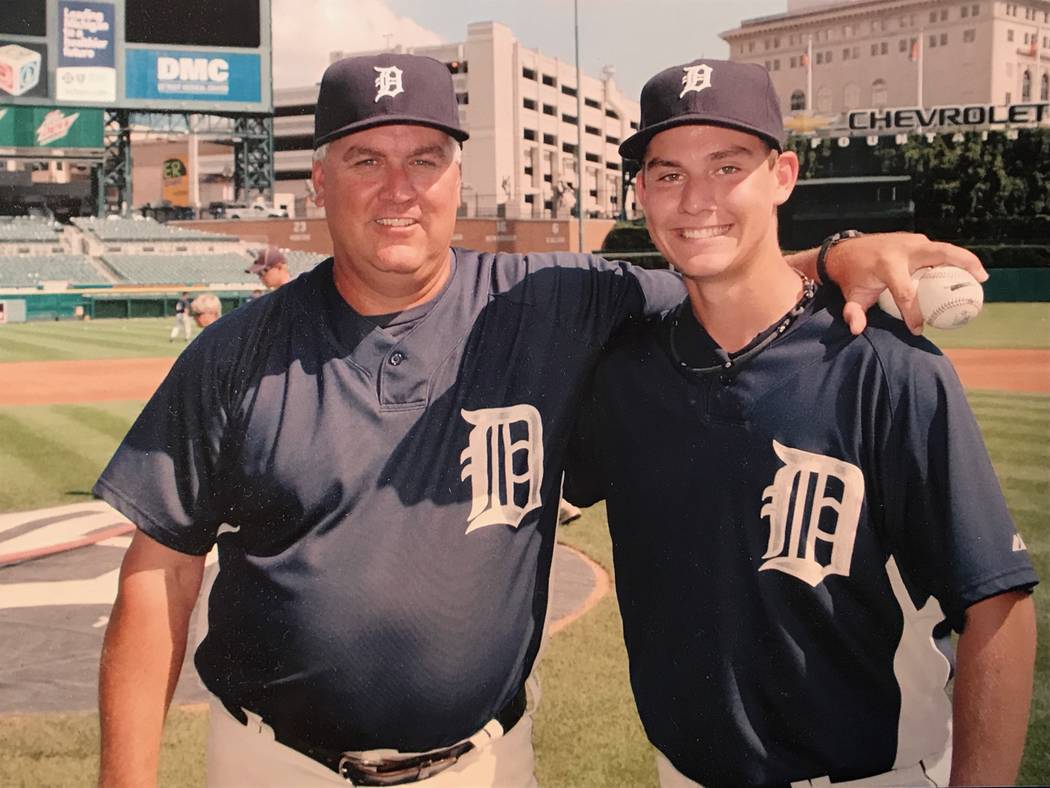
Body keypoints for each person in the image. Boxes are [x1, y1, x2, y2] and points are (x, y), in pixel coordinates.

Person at [95, 53, 986, 788]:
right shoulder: (236, 353)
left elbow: (724, 269)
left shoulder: (553, 300)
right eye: (366, 160)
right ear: (319, 178)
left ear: (458, 178)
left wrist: (834, 254)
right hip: (273, 765)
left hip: (484, 766)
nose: (398, 190)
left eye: (426, 160)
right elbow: (160, 575)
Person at [565, 59, 1037, 788]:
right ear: (640, 193)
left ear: (783, 175)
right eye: (667, 174)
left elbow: (997, 607)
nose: (696, 199)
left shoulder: (888, 367)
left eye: (728, 165)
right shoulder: (625, 375)